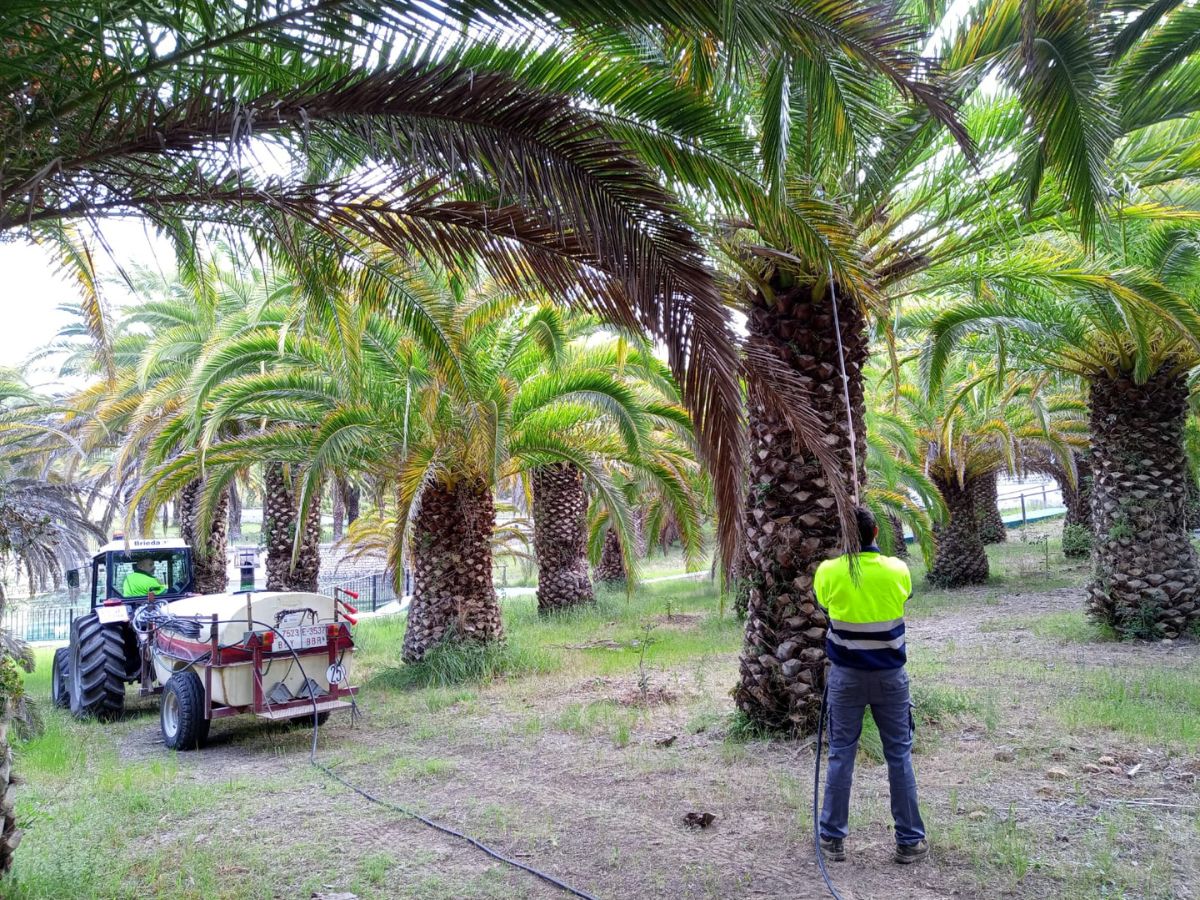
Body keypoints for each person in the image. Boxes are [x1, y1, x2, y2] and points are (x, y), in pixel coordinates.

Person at [814, 506, 928, 865]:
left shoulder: (828, 572)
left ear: (842, 537)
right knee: (899, 757)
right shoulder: (897, 570)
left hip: (846, 679)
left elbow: (822, 605)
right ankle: (910, 841)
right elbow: (904, 597)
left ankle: (832, 840)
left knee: (841, 755)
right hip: (891, 679)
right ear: (876, 532)